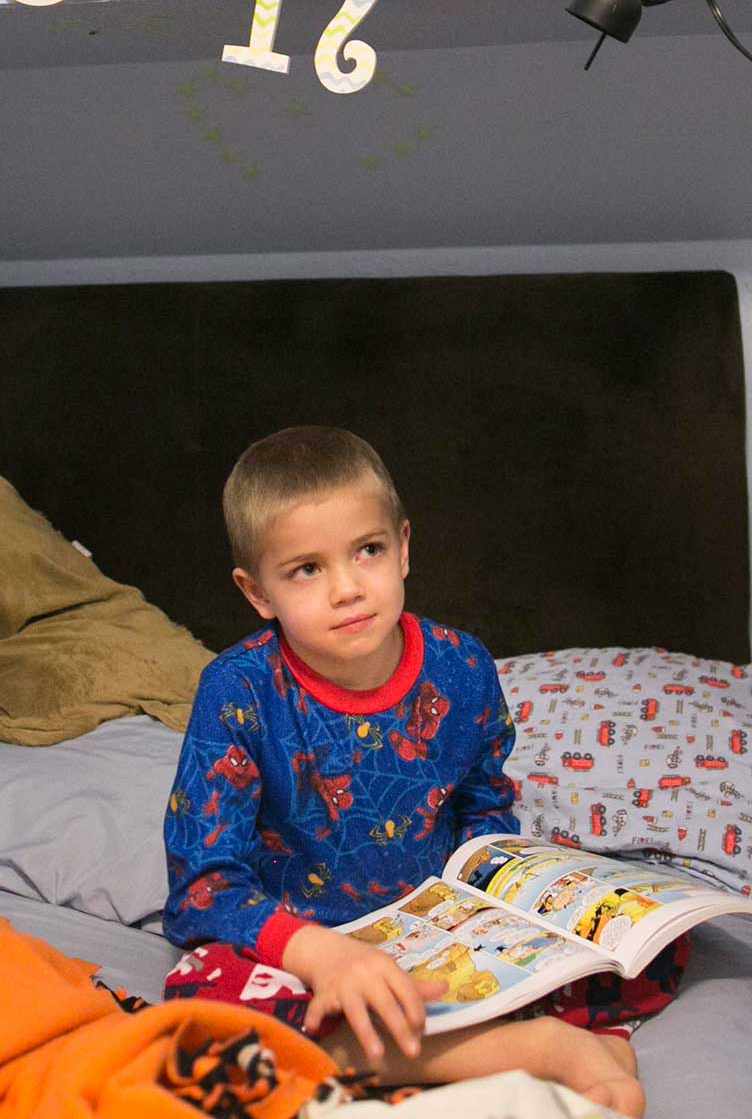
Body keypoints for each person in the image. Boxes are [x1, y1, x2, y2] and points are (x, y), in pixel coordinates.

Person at [161, 427, 648, 1116]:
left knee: (639, 941)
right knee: (195, 1009)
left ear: (405, 547)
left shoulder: (464, 666)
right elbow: (201, 886)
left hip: (440, 939)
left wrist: (498, 916)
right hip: (303, 952)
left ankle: (421, 1047)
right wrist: (319, 957)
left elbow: (485, 815)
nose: (348, 589)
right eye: (306, 569)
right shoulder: (236, 690)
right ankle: (534, 1049)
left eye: (368, 551)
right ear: (257, 592)